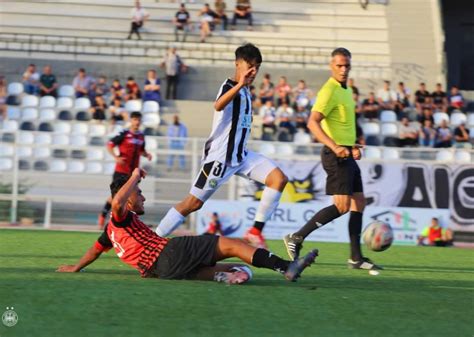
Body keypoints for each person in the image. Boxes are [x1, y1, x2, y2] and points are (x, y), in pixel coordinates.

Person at [59, 169, 319, 284]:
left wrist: (75, 268)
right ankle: (287, 267)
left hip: (162, 270)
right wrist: (135, 176)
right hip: (170, 253)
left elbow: (95, 251)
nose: (143, 197)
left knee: (234, 267)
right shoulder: (121, 215)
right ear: (127, 199)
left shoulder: (111, 232)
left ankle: (224, 276)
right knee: (233, 244)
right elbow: (117, 203)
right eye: (139, 193)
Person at [155, 44, 288, 249]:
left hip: (241, 157)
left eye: (257, 67)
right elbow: (218, 105)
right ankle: (154, 238)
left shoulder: (245, 92)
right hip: (220, 158)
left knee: (278, 179)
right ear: (237, 64)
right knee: (193, 203)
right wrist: (239, 85)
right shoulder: (229, 86)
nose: (253, 72)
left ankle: (254, 232)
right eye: (249, 66)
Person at [283, 47, 382, 271]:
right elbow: (312, 122)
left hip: (347, 153)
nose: (344, 69)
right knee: (342, 206)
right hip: (334, 155)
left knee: (359, 202)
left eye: (347, 65)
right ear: (331, 66)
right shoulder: (328, 91)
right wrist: (335, 146)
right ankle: (297, 237)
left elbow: (342, 124)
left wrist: (353, 145)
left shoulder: (346, 90)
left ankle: (356, 258)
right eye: (339, 65)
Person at [97, 112, 152, 228]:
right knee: (117, 196)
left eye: (139, 120)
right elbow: (110, 144)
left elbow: (141, 150)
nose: (137, 122)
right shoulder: (124, 134)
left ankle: (132, 223)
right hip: (121, 171)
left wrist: (146, 154)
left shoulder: (141, 136)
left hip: (134, 174)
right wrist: (116, 157)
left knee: (133, 197)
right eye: (135, 119)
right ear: (131, 121)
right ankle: (103, 216)